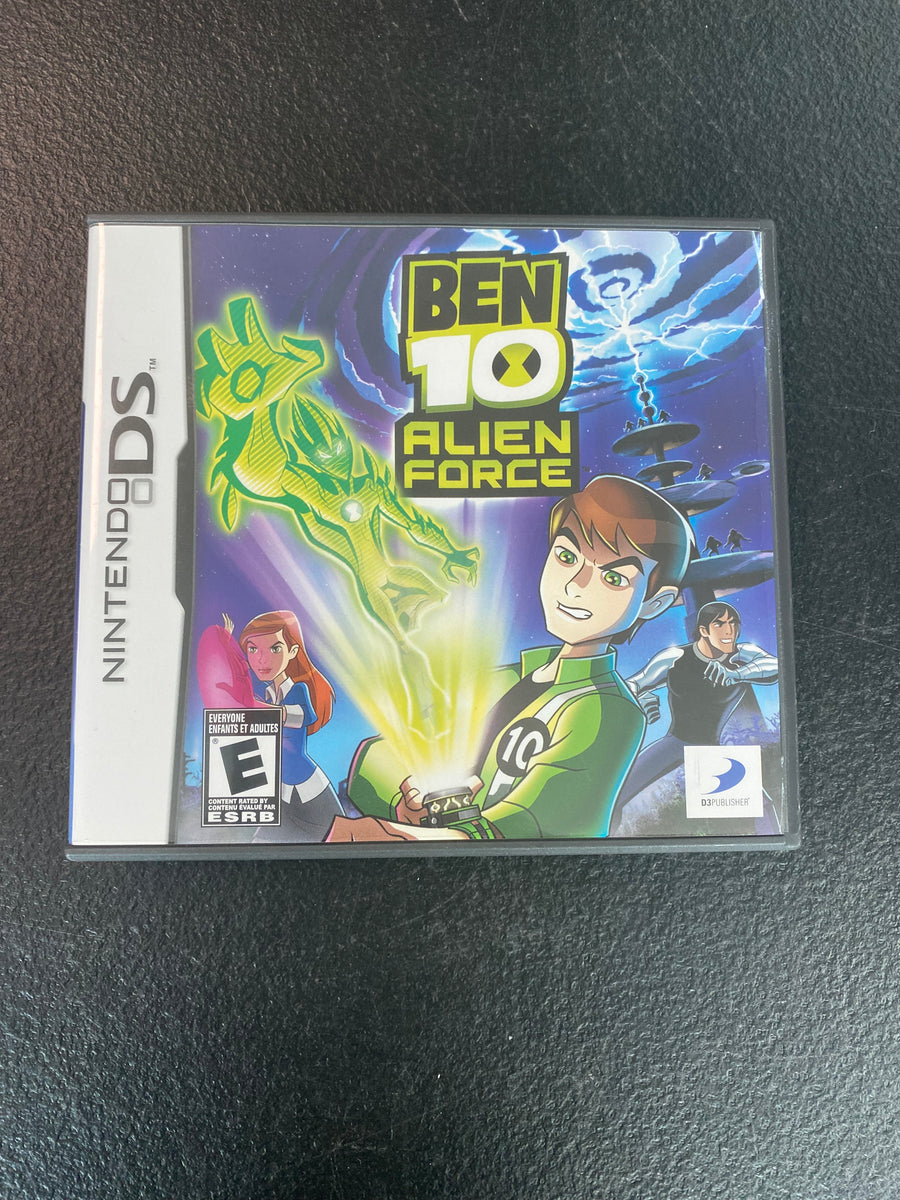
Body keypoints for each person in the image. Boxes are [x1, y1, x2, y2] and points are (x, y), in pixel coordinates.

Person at [328, 475, 694, 843]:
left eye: (613, 578)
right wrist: (405, 798)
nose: (575, 585)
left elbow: (541, 826)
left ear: (655, 602)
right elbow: (377, 754)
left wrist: (409, 833)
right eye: (567, 557)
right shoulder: (504, 678)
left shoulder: (609, 710)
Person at [608, 601, 778, 833]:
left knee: (761, 804)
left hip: (710, 749)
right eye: (720, 624)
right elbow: (634, 684)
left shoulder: (742, 655)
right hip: (675, 744)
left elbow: (775, 665)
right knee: (615, 796)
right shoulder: (675, 658)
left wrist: (737, 674)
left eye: (733, 623)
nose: (729, 630)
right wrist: (636, 704)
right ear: (703, 630)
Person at [227, 609, 344, 842]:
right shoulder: (269, 695)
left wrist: (252, 704)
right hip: (282, 790)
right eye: (253, 649)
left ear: (292, 652)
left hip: (308, 788)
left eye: (274, 648)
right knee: (260, 844)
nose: (262, 659)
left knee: (338, 843)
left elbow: (300, 716)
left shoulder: (298, 690)